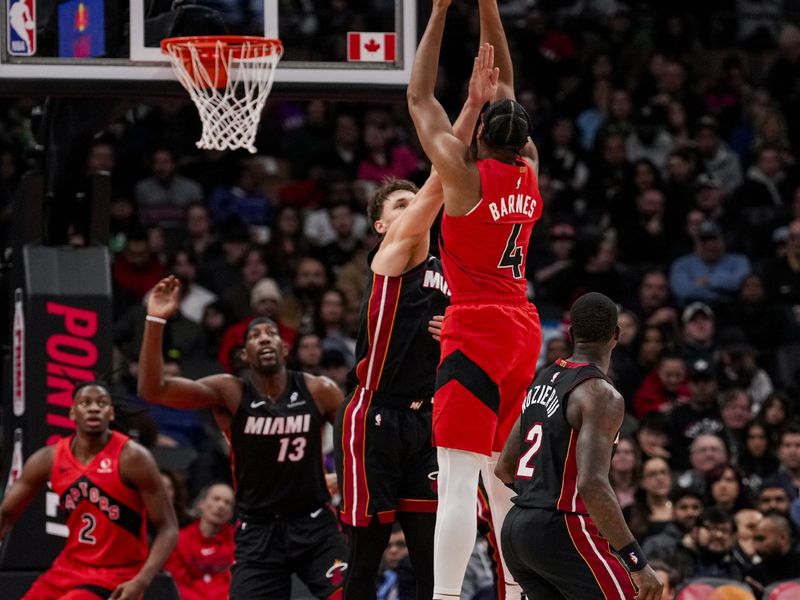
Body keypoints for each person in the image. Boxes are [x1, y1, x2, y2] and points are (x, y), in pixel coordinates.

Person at [333, 44, 497, 600]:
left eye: (411, 205)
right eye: (397, 209)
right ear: (381, 226)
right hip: (372, 418)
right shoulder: (393, 257)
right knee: (364, 560)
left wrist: (457, 329)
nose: (412, 212)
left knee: (434, 562)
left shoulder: (451, 272)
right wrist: (472, 109)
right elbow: (438, 179)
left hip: (428, 420)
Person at [407, 1, 542, 597]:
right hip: (524, 329)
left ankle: (444, 596)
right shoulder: (529, 171)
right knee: (502, 477)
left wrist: (440, 12)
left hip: (477, 323)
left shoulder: (462, 179)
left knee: (458, 478)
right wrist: (488, 6)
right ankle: (516, 591)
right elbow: (507, 86)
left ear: (481, 132)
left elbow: (418, 99)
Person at [138, 276, 348, 599]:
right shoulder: (230, 392)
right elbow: (153, 389)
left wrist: (343, 479)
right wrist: (155, 319)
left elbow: (360, 440)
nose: (264, 339)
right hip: (259, 530)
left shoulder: (320, 390)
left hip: (314, 524)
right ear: (245, 354)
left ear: (285, 348)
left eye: (271, 334)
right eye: (255, 336)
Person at [495, 293, 662, 599]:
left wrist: (537, 499)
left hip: (517, 530)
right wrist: (636, 562)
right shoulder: (601, 394)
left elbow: (504, 467)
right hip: (562, 527)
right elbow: (592, 484)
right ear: (617, 335)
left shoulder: (543, 379)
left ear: (571, 334)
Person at [0, 381, 178, 599]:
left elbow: (168, 528)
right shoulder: (48, 458)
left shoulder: (132, 458)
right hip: (68, 568)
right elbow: (6, 514)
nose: (94, 408)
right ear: (73, 413)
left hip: (117, 573)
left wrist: (141, 581)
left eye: (102, 403)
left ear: (110, 414)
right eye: (85, 403)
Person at [164, 483, 236, 600]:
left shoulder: (237, 541)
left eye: (228, 503)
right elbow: (176, 582)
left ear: (231, 514)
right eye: (216, 499)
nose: (221, 505)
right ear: (200, 504)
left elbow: (236, 581)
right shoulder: (179, 540)